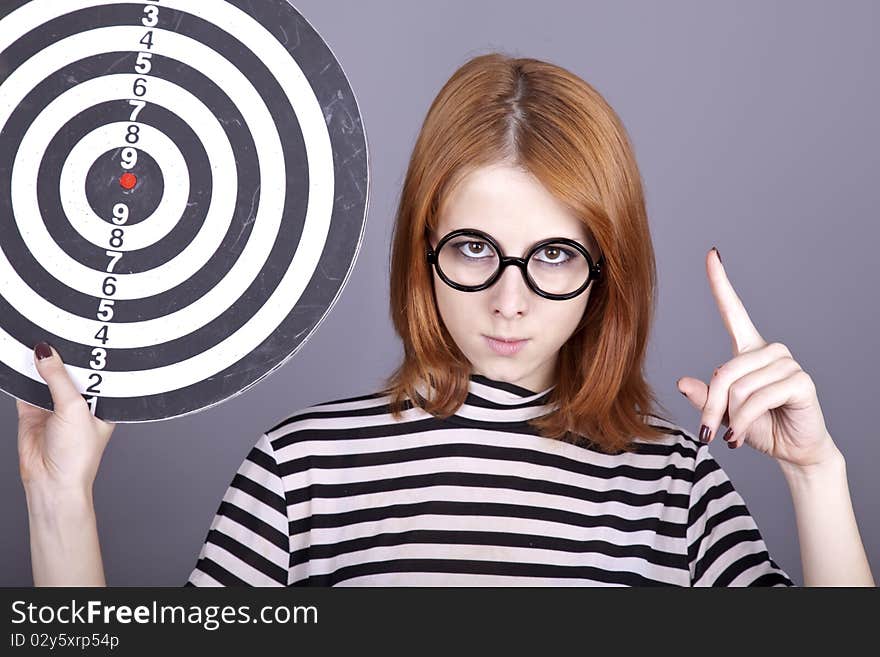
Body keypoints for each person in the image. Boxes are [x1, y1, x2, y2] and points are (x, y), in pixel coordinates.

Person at [18, 54, 874, 587]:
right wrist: (59, 500)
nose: (510, 300)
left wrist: (815, 475)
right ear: (421, 244)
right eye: (473, 248)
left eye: (553, 255)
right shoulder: (297, 471)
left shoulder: (677, 488)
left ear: (608, 271)